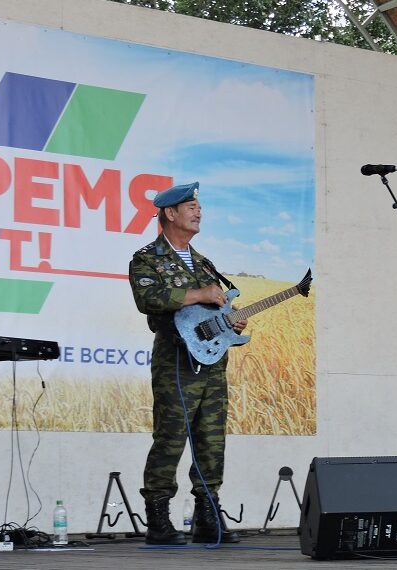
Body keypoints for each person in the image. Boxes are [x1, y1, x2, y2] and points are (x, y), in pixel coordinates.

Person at [128, 182, 247, 545]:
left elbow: (214, 308)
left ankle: (207, 514)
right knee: (170, 437)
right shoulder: (147, 258)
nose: (199, 211)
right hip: (175, 362)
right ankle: (159, 519)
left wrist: (232, 320)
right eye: (191, 206)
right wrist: (200, 293)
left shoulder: (204, 262)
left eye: (199, 206)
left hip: (212, 363)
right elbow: (148, 298)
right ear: (170, 213)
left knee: (211, 439)